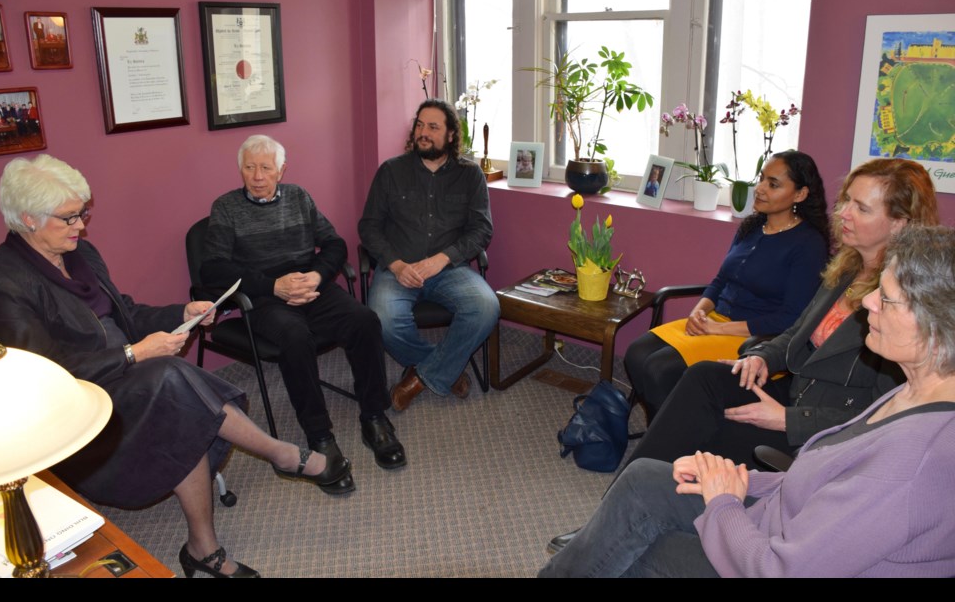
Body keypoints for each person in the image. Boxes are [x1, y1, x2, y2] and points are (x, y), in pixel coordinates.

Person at [547, 158, 938, 554]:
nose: (844, 214)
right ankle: (609, 514)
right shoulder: (848, 269)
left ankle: (634, 523)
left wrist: (787, 418)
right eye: (846, 202)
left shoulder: (904, 310)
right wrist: (764, 358)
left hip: (819, 432)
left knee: (707, 433)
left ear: (901, 223)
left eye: (861, 208)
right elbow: (794, 335)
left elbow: (882, 418)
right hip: (793, 398)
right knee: (704, 378)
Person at [0, 155, 350, 578]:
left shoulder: (78, 253)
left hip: (134, 376)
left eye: (82, 213)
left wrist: (180, 311)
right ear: (29, 219)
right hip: (80, 403)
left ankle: (204, 548)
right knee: (171, 380)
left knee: (179, 402)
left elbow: (124, 312)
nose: (81, 225)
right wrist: (133, 354)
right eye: (70, 217)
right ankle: (280, 454)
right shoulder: (7, 282)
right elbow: (43, 377)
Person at [200, 135, 404, 489]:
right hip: (264, 298)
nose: (258, 176)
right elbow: (213, 269)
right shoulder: (226, 208)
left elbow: (335, 244)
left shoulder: (298, 197)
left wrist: (317, 275)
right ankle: (319, 436)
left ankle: (374, 416)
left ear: (281, 169)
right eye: (250, 167)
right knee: (295, 338)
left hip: (312, 287)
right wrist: (272, 286)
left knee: (365, 321)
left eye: (266, 167)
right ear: (240, 169)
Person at [627, 150, 830, 421]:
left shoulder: (808, 245)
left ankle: (677, 437)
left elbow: (789, 319)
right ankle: (669, 428)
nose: (759, 189)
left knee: (658, 368)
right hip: (717, 321)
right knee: (636, 354)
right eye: (761, 179)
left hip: (755, 339)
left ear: (800, 194)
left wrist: (716, 328)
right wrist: (699, 311)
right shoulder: (751, 228)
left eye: (773, 184)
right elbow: (721, 281)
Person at [358, 99, 500, 410]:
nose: (423, 133)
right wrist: (395, 265)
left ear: (451, 135)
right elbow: (369, 227)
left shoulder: (470, 174)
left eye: (433, 127)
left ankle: (422, 378)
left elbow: (481, 230)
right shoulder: (391, 171)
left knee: (487, 306)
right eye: (420, 125)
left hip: (449, 269)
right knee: (383, 319)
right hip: (399, 269)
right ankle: (446, 372)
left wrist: (443, 258)